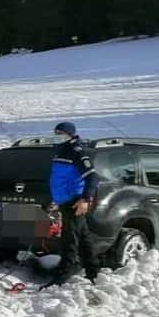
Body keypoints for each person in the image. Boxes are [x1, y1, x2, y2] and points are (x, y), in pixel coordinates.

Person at [45, 121, 99, 286]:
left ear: (69, 135)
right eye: (55, 133)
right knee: (83, 237)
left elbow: (93, 177)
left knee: (69, 238)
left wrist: (85, 199)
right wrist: (55, 199)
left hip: (75, 201)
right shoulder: (60, 151)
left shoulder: (77, 151)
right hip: (64, 200)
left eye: (60, 133)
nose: (57, 136)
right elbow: (60, 178)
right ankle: (93, 271)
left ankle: (63, 274)